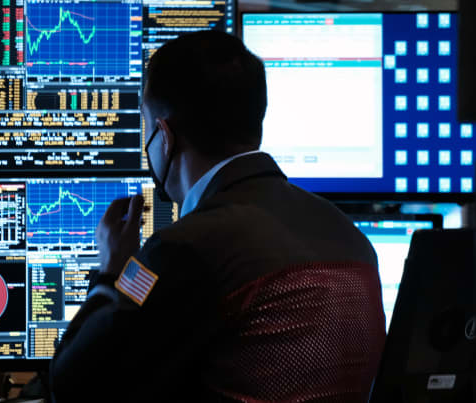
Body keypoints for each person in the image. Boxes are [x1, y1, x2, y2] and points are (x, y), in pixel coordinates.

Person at [49, 30, 385, 402]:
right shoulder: (351, 236)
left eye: (146, 124)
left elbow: (74, 386)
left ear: (164, 135)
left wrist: (114, 270)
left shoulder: (183, 248)